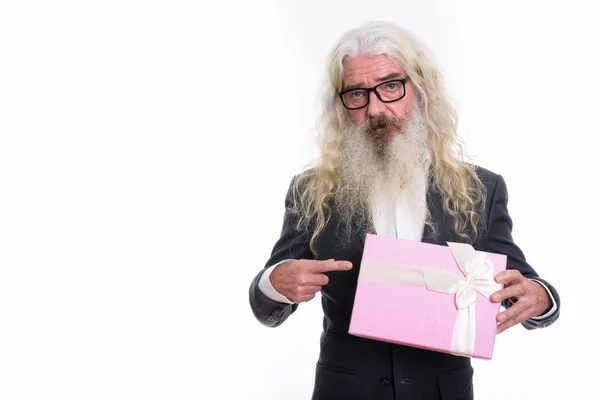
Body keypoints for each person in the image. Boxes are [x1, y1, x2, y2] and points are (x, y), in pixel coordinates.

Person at [249, 21, 560, 400]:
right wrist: (275, 283)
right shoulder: (312, 190)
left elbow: (520, 282)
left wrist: (539, 297)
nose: (375, 108)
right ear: (342, 105)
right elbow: (267, 304)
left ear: (421, 88)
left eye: (391, 87)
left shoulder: (481, 189)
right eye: (357, 95)